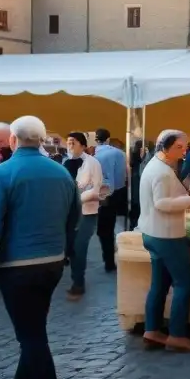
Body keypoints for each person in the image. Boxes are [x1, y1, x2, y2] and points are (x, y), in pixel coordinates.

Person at [0, 116, 79, 379]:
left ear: (12, 140)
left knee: (31, 334)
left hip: (19, 264)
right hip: (51, 261)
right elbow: (73, 216)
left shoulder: (4, 172)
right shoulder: (60, 170)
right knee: (34, 324)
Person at [138, 130, 190, 352]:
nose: (184, 150)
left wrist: (188, 197)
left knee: (159, 283)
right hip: (166, 234)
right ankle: (177, 335)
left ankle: (152, 330)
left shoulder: (157, 167)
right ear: (165, 147)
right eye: (179, 146)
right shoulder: (162, 172)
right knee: (183, 282)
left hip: (152, 232)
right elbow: (162, 203)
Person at [62, 132, 105, 300]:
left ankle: (78, 283)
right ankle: (75, 278)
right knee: (71, 247)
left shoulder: (92, 163)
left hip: (87, 212)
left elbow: (95, 190)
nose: (69, 145)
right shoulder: (66, 162)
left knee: (79, 247)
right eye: (68, 142)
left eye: (73, 142)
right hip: (68, 214)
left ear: (82, 144)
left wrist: (75, 200)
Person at [94, 127, 126, 272]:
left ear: (96, 139)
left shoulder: (93, 154)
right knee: (110, 227)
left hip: (100, 195)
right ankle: (112, 260)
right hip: (117, 194)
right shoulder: (120, 153)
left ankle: (108, 260)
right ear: (108, 138)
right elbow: (122, 177)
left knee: (103, 230)